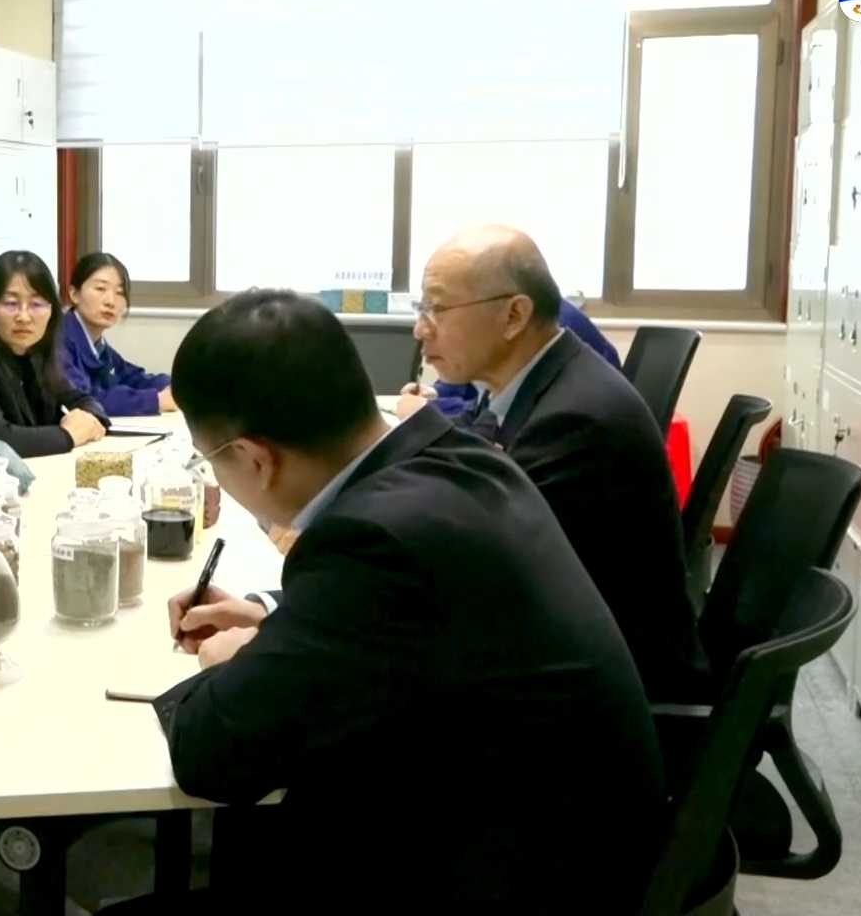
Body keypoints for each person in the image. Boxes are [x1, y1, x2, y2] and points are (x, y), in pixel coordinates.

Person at [126, 290, 663, 912]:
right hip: (573, 829)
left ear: (253, 458)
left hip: (514, 873)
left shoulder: (370, 543)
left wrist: (230, 663)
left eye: (213, 462)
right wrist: (277, 617)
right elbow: (409, 618)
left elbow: (210, 755)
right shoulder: (454, 456)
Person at [396, 225, 706, 702]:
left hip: (604, 695)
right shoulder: (543, 381)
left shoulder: (576, 420)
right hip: (569, 650)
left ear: (514, 315)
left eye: (437, 309)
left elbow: (479, 568)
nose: (421, 329)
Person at [0, 250, 111, 459]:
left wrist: (88, 418)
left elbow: (81, 399)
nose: (24, 317)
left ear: (52, 311)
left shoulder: (36, 353)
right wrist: (69, 435)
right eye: (10, 303)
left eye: (36, 304)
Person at [422, 296, 621, 418]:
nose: (420, 330)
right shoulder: (496, 319)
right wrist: (433, 394)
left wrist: (430, 410)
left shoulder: (547, 328)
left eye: (441, 310)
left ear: (515, 314)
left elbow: (495, 415)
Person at [59, 252, 176, 417]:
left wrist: (176, 386)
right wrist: (156, 400)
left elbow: (134, 378)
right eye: (100, 289)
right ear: (74, 294)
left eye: (119, 292)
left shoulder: (99, 346)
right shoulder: (58, 341)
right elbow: (85, 400)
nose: (110, 301)